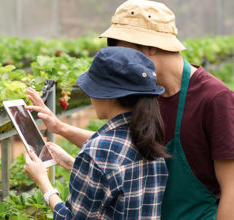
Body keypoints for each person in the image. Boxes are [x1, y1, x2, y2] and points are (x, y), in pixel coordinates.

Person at [28, 1, 234, 219]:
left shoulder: (215, 99)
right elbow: (126, 150)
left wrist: (47, 187)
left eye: (121, 47)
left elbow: (231, 187)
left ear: (151, 47)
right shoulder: (143, 94)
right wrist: (61, 129)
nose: (118, 58)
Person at [24, 46, 169, 219]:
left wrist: (44, 183)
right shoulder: (150, 138)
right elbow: (117, 186)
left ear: (111, 95)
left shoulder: (98, 151)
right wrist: (73, 163)